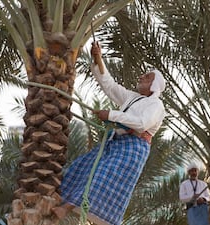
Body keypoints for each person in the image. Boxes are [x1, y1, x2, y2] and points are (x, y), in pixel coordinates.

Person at [51, 42, 166, 225]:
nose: (142, 77)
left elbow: (141, 124)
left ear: (154, 85)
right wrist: (98, 59)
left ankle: (64, 209)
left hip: (134, 148)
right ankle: (56, 200)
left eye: (147, 76)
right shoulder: (132, 98)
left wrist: (111, 115)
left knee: (101, 176)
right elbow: (110, 86)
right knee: (83, 166)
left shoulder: (156, 105)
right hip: (116, 142)